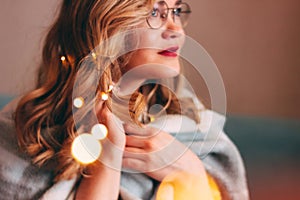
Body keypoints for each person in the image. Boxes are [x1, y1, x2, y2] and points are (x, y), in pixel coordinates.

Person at [0, 0, 249, 199]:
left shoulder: (192, 126)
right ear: (104, 21)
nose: (177, 30)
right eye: (154, 12)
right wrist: (107, 160)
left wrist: (191, 173)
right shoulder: (21, 135)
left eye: (176, 11)